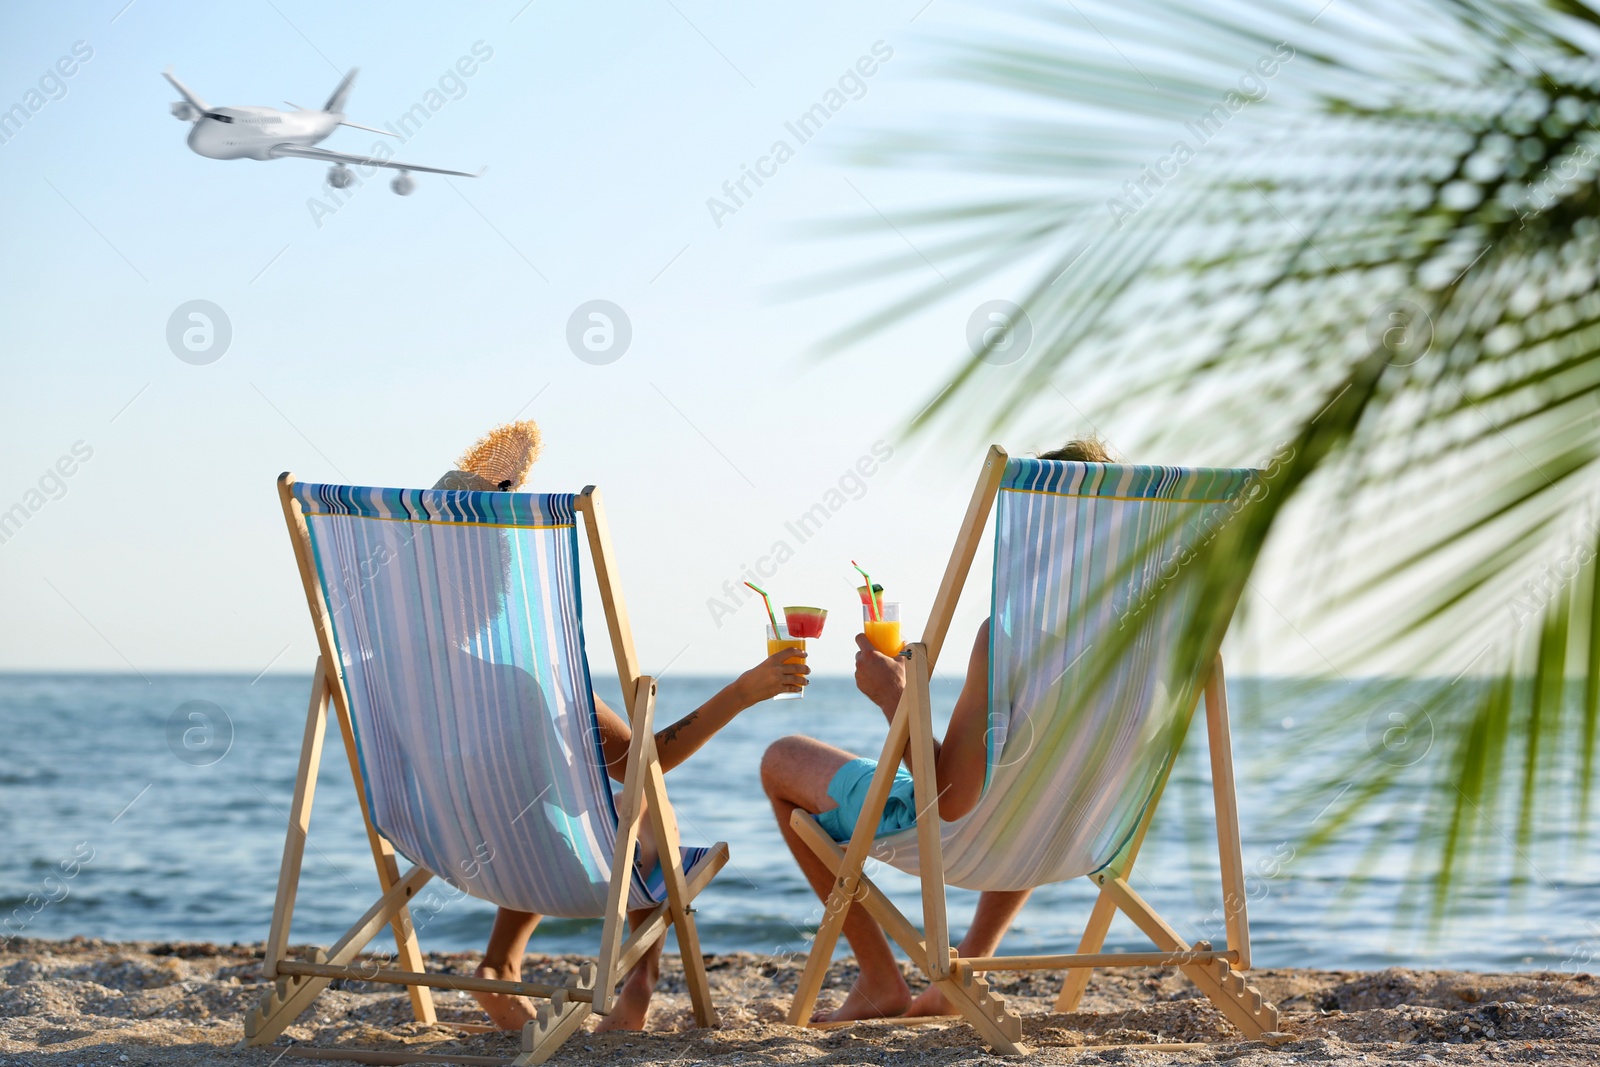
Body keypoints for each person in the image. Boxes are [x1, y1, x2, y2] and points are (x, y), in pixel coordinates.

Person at [431, 422, 812, 1032]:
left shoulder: (374, 673)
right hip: (544, 861)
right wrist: (742, 692)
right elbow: (644, 759)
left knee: (523, 803)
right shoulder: (530, 680)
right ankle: (640, 982)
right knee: (646, 804)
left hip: (438, 842)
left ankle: (500, 964)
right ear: (501, 585)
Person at [760, 438, 1112, 1021]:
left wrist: (896, 700)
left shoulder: (1009, 638)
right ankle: (965, 967)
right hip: (1077, 832)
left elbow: (948, 800)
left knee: (782, 758)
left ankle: (879, 981)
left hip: (978, 833)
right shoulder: (1155, 644)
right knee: (1030, 779)